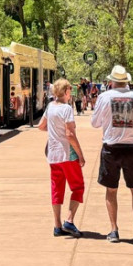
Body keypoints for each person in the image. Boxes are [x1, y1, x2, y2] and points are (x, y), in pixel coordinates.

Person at [90, 65, 133, 244]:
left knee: (111, 189)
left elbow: (95, 123)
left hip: (111, 147)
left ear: (111, 81)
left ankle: (113, 230)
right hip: (132, 147)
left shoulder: (104, 97)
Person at [38, 78, 86, 238]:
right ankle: (69, 220)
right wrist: (80, 155)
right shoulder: (66, 109)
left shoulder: (50, 107)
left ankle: (57, 225)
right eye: (69, 91)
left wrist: (54, 132)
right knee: (77, 187)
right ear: (65, 92)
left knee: (57, 188)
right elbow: (70, 134)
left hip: (53, 155)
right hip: (68, 154)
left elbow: (41, 126)